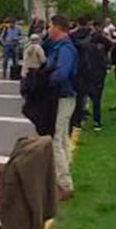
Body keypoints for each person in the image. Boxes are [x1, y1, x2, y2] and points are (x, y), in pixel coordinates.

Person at [44, 15, 78, 201]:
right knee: (63, 137)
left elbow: (62, 73)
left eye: (50, 26)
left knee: (56, 139)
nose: (48, 30)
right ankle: (64, 174)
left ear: (57, 27)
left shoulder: (65, 49)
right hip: (64, 97)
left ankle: (64, 184)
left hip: (63, 96)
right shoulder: (60, 46)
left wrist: (46, 79)